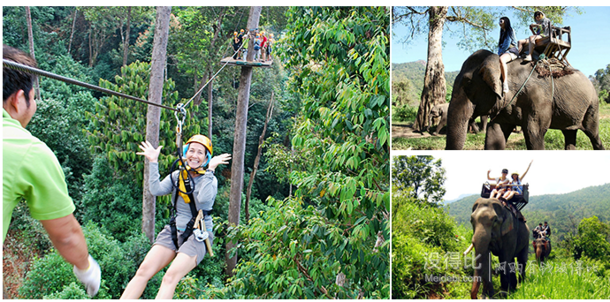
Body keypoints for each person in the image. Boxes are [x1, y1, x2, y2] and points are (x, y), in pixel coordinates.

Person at [2, 45, 101, 297]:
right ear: (18, 99)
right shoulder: (26, 149)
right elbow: (66, 235)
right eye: (33, 98)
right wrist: (86, 269)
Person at [120, 135, 231, 299]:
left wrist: (211, 170)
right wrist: (153, 162)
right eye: (191, 151)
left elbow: (204, 200)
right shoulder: (177, 176)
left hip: (198, 234)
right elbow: (156, 190)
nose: (195, 155)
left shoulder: (210, 179)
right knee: (143, 271)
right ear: (185, 153)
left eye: (200, 152)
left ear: (206, 158)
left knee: (169, 277)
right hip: (175, 230)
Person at [497, 17, 518, 93]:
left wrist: (501, 53)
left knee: (502, 60)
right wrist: (499, 53)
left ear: (505, 21)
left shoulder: (510, 30)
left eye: (501, 21)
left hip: (511, 51)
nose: (499, 23)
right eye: (499, 21)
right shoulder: (502, 32)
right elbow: (500, 45)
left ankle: (505, 83)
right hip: (504, 51)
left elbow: (507, 43)